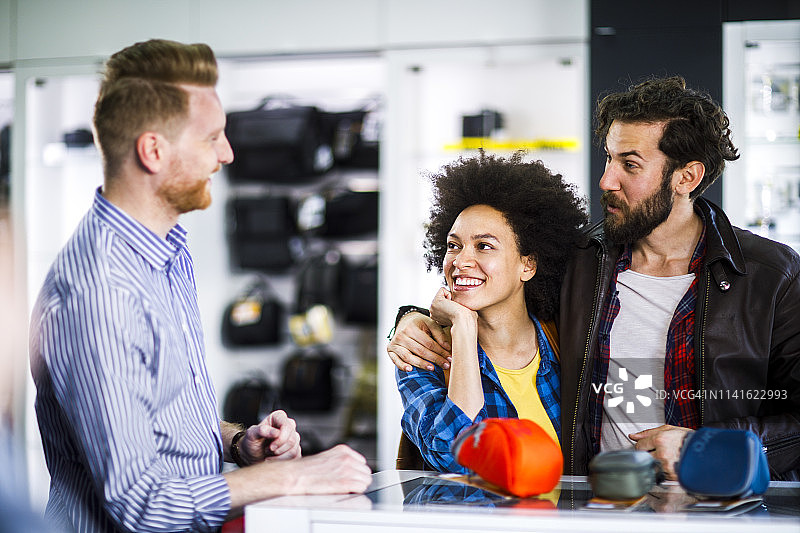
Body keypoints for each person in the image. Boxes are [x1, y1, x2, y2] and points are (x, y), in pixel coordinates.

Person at [29, 39, 371, 533]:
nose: (228, 155)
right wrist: (294, 478)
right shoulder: (100, 292)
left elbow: (156, 417)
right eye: (212, 138)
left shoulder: (167, 252)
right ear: (153, 150)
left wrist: (236, 443)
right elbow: (142, 504)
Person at [388, 76, 800, 481]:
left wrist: (710, 448)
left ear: (686, 177)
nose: (606, 180)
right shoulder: (580, 261)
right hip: (595, 507)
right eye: (608, 158)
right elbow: (496, 297)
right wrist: (412, 318)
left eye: (630, 164)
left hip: (720, 509)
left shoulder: (770, 276)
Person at [396, 152, 587, 472]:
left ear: (528, 264)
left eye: (483, 246)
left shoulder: (564, 342)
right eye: (453, 245)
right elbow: (455, 454)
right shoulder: (425, 353)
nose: (460, 261)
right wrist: (463, 326)